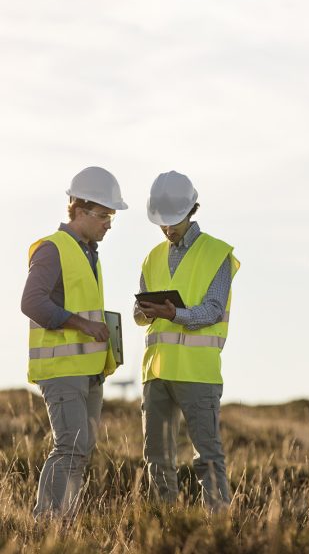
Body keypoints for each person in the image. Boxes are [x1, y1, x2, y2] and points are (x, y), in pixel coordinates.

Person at [21, 166, 127, 519]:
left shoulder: (88, 252)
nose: (109, 223)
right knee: (70, 447)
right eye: (104, 215)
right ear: (79, 211)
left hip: (89, 372)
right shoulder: (53, 250)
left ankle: (63, 523)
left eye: (111, 216)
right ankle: (45, 523)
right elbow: (32, 303)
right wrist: (82, 325)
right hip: (62, 370)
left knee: (81, 450)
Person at [134, 171, 240, 510]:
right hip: (157, 374)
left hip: (198, 373)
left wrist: (175, 314)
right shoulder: (151, 257)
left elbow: (211, 310)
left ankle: (217, 530)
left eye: (174, 220)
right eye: (162, 222)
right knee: (157, 457)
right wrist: (145, 311)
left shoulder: (217, 254)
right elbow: (138, 316)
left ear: (192, 210)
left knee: (207, 457)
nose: (168, 228)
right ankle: (166, 525)